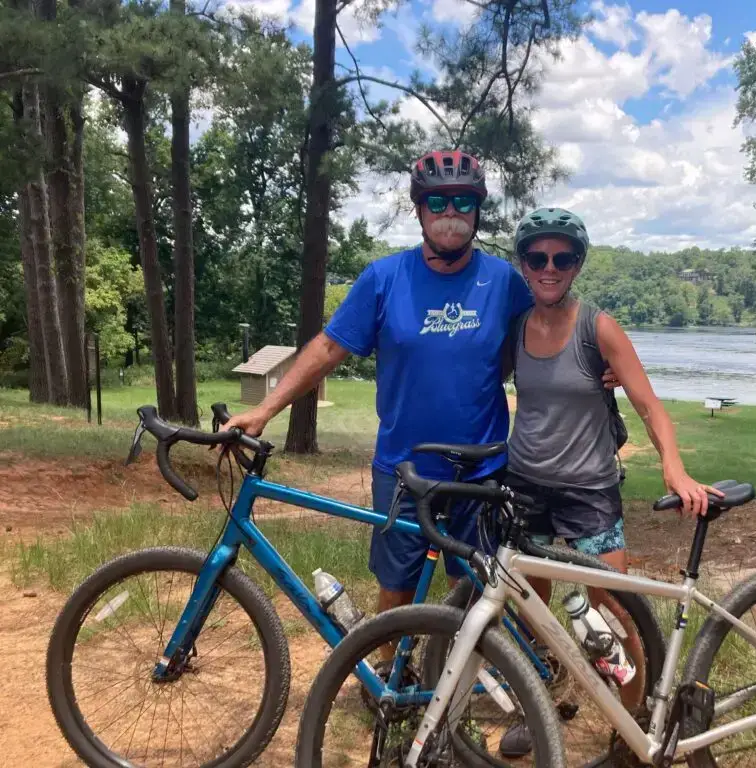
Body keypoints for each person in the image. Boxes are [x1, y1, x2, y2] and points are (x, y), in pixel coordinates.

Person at [223, 150, 535, 629]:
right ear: (419, 209)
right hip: (403, 467)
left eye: (462, 202)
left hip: (482, 468)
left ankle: (469, 679)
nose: (450, 212)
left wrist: (601, 364)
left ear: (477, 211)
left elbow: (544, 335)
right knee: (396, 585)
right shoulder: (384, 279)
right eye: (437, 201)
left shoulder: (504, 282)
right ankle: (388, 679)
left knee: (479, 585)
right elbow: (328, 348)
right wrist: (264, 410)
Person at [496, 207, 723, 756]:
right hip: (525, 483)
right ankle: (543, 702)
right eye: (538, 257)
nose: (549, 268)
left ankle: (637, 716)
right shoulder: (517, 328)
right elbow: (479, 378)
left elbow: (649, 404)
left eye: (562, 258)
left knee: (611, 609)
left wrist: (674, 466)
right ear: (524, 265)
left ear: (576, 266)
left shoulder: (598, 327)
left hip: (588, 490)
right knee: (529, 608)